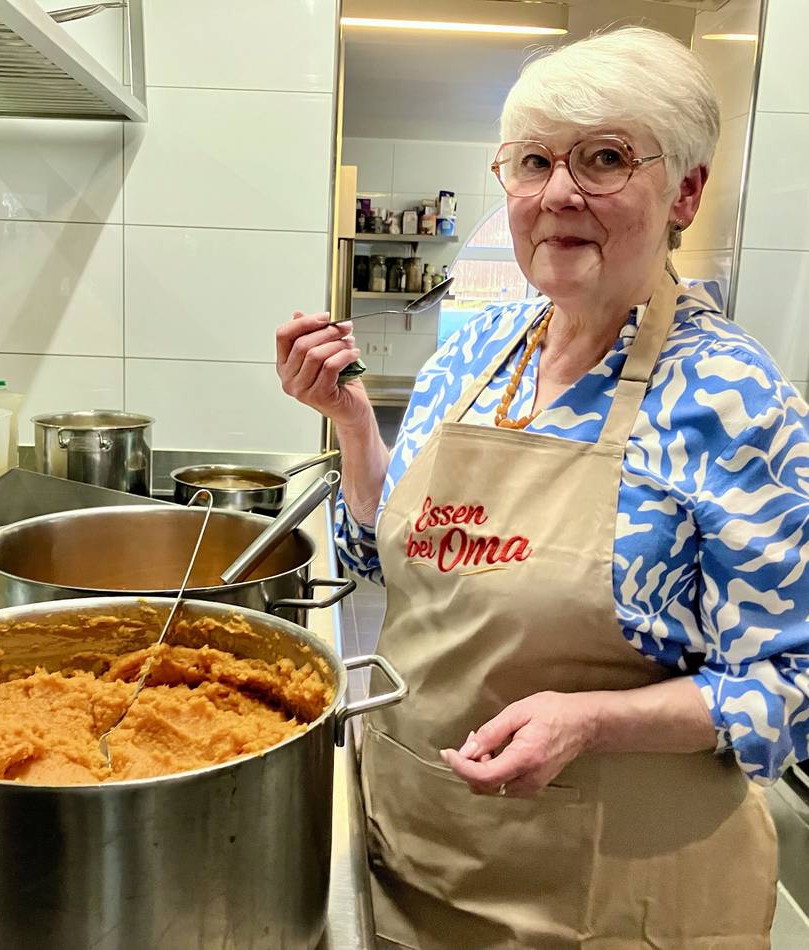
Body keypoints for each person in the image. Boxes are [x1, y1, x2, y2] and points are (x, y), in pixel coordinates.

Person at [276, 27, 809, 949]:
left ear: (685, 192)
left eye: (604, 158)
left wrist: (593, 721)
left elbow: (792, 685)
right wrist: (354, 425)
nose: (558, 192)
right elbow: (379, 553)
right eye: (533, 162)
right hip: (414, 857)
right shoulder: (477, 352)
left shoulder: (735, 401)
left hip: (611, 903)